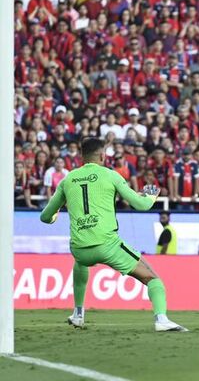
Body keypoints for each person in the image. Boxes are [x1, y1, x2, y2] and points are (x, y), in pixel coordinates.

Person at [40, 138, 187, 332]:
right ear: (102, 156)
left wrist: (54, 217)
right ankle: (162, 319)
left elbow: (45, 216)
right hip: (107, 245)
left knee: (81, 263)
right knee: (152, 278)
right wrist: (151, 195)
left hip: (80, 248)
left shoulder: (68, 179)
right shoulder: (111, 175)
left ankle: (78, 313)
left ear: (82, 157)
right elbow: (141, 205)